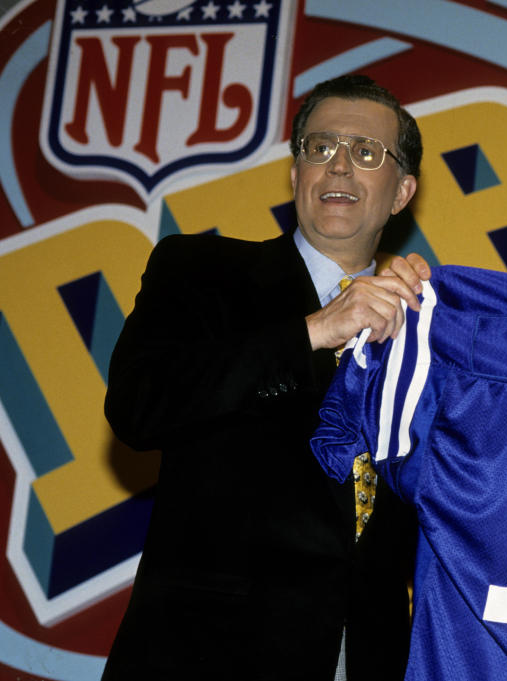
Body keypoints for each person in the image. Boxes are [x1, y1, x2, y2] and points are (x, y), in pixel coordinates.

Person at [101, 74, 427, 681]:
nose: (338, 168)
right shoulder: (201, 272)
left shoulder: (427, 328)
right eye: (320, 147)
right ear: (295, 171)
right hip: (209, 655)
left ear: (401, 191)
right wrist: (313, 330)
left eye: (365, 153)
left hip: (368, 656)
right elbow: (138, 407)